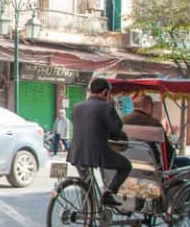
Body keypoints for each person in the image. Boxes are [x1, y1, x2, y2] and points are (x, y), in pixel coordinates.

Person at [67, 77, 132, 206]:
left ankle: (87, 214)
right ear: (105, 92)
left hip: (77, 153)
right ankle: (108, 194)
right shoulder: (105, 107)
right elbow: (117, 129)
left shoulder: (77, 107)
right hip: (98, 153)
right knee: (126, 166)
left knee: (86, 185)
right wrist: (112, 108)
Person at [122, 94, 180, 168]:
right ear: (149, 106)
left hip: (128, 164)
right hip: (154, 168)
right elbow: (169, 153)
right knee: (187, 161)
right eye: (152, 106)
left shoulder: (122, 121)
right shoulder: (154, 124)